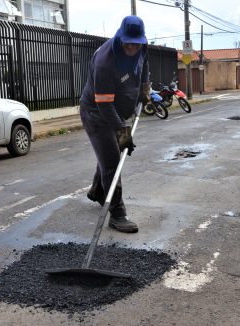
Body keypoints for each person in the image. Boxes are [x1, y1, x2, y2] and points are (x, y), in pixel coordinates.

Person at [79, 16, 150, 233]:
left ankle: (97, 191)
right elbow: (104, 107)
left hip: (117, 111)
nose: (131, 47)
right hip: (96, 113)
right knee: (112, 161)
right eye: (127, 41)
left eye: (135, 43)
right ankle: (118, 215)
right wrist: (123, 132)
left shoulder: (141, 48)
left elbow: (144, 65)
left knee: (108, 154)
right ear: (120, 36)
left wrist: (145, 88)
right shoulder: (105, 61)